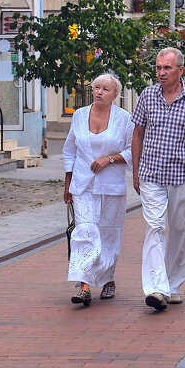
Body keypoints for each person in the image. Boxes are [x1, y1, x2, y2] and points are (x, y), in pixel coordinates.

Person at [131, 47, 185, 312]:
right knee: (155, 227)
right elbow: (138, 134)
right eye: (158, 68)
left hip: (182, 175)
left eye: (167, 68)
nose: (161, 73)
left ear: (180, 70)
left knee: (179, 229)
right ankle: (156, 287)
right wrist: (135, 171)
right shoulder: (147, 96)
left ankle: (174, 285)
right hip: (151, 174)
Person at [63, 73, 133, 306]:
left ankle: (108, 279)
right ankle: (83, 286)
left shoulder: (124, 118)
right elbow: (69, 150)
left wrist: (110, 159)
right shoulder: (80, 115)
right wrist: (68, 182)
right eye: (96, 88)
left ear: (115, 94)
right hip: (82, 184)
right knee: (85, 230)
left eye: (105, 89)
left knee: (108, 234)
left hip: (111, 185)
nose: (99, 92)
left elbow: (134, 150)